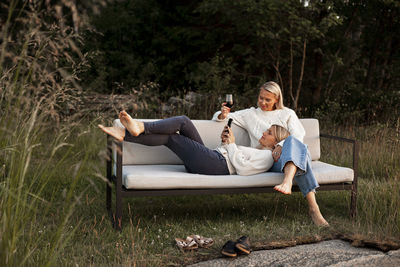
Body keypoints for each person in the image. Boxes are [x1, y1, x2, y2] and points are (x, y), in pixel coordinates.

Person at [212, 81, 329, 226]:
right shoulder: (251, 114)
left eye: (268, 99)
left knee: (296, 144)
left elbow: (298, 135)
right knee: (302, 156)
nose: (263, 102)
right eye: (261, 98)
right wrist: (223, 114)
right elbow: (222, 116)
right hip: (269, 159)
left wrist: (280, 145)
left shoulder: (287, 113)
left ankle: (291, 186)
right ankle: (313, 208)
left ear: (276, 100)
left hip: (289, 154)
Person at [98, 111, 290, 176]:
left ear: (277, 141)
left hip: (216, 164)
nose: (264, 133)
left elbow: (242, 169)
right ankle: (129, 132)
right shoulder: (260, 151)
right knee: (180, 126)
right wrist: (226, 143)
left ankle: (137, 129)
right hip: (214, 159)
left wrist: (231, 145)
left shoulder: (267, 157)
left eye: (269, 132)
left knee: (176, 131)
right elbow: (234, 158)